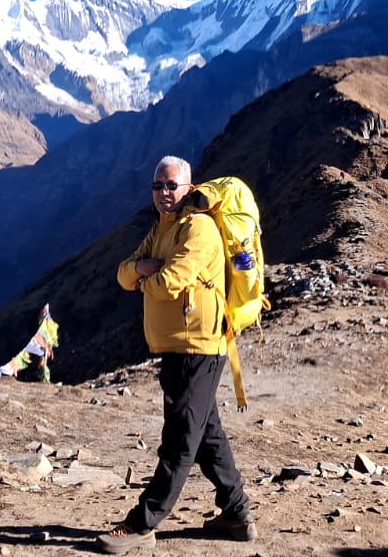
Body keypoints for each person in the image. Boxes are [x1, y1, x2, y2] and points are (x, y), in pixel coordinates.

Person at [101, 156, 256, 553]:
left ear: (189, 188)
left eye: (171, 185)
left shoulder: (199, 228)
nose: (164, 193)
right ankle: (237, 513)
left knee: (180, 439)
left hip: (200, 345)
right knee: (206, 434)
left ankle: (142, 523)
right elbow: (122, 272)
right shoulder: (163, 228)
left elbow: (171, 281)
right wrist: (140, 269)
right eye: (158, 186)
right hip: (175, 344)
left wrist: (142, 275)